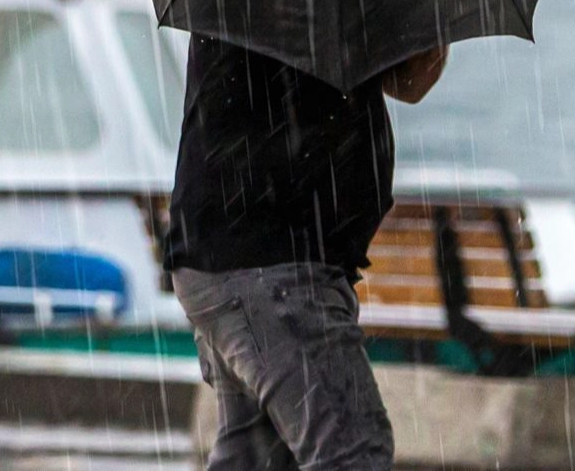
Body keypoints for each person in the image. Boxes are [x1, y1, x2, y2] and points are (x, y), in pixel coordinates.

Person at [167, 37, 449, 471]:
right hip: (271, 263)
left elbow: (408, 80)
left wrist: (429, 10)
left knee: (259, 458)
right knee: (353, 450)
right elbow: (402, 74)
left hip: (233, 253)